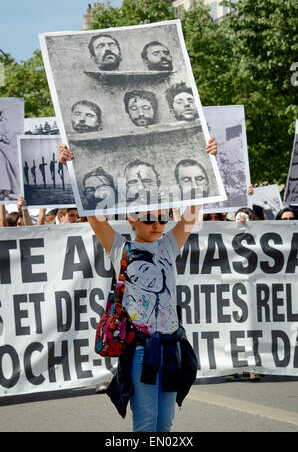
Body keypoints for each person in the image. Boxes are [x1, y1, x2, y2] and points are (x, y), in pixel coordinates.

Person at [59, 136, 217, 432]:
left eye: (162, 218)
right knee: (146, 422)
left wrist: (208, 160)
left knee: (165, 423)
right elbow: (93, 215)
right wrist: (71, 166)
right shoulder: (121, 247)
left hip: (172, 346)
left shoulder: (170, 244)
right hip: (141, 348)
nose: (157, 224)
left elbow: (193, 210)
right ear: (132, 219)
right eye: (148, 219)